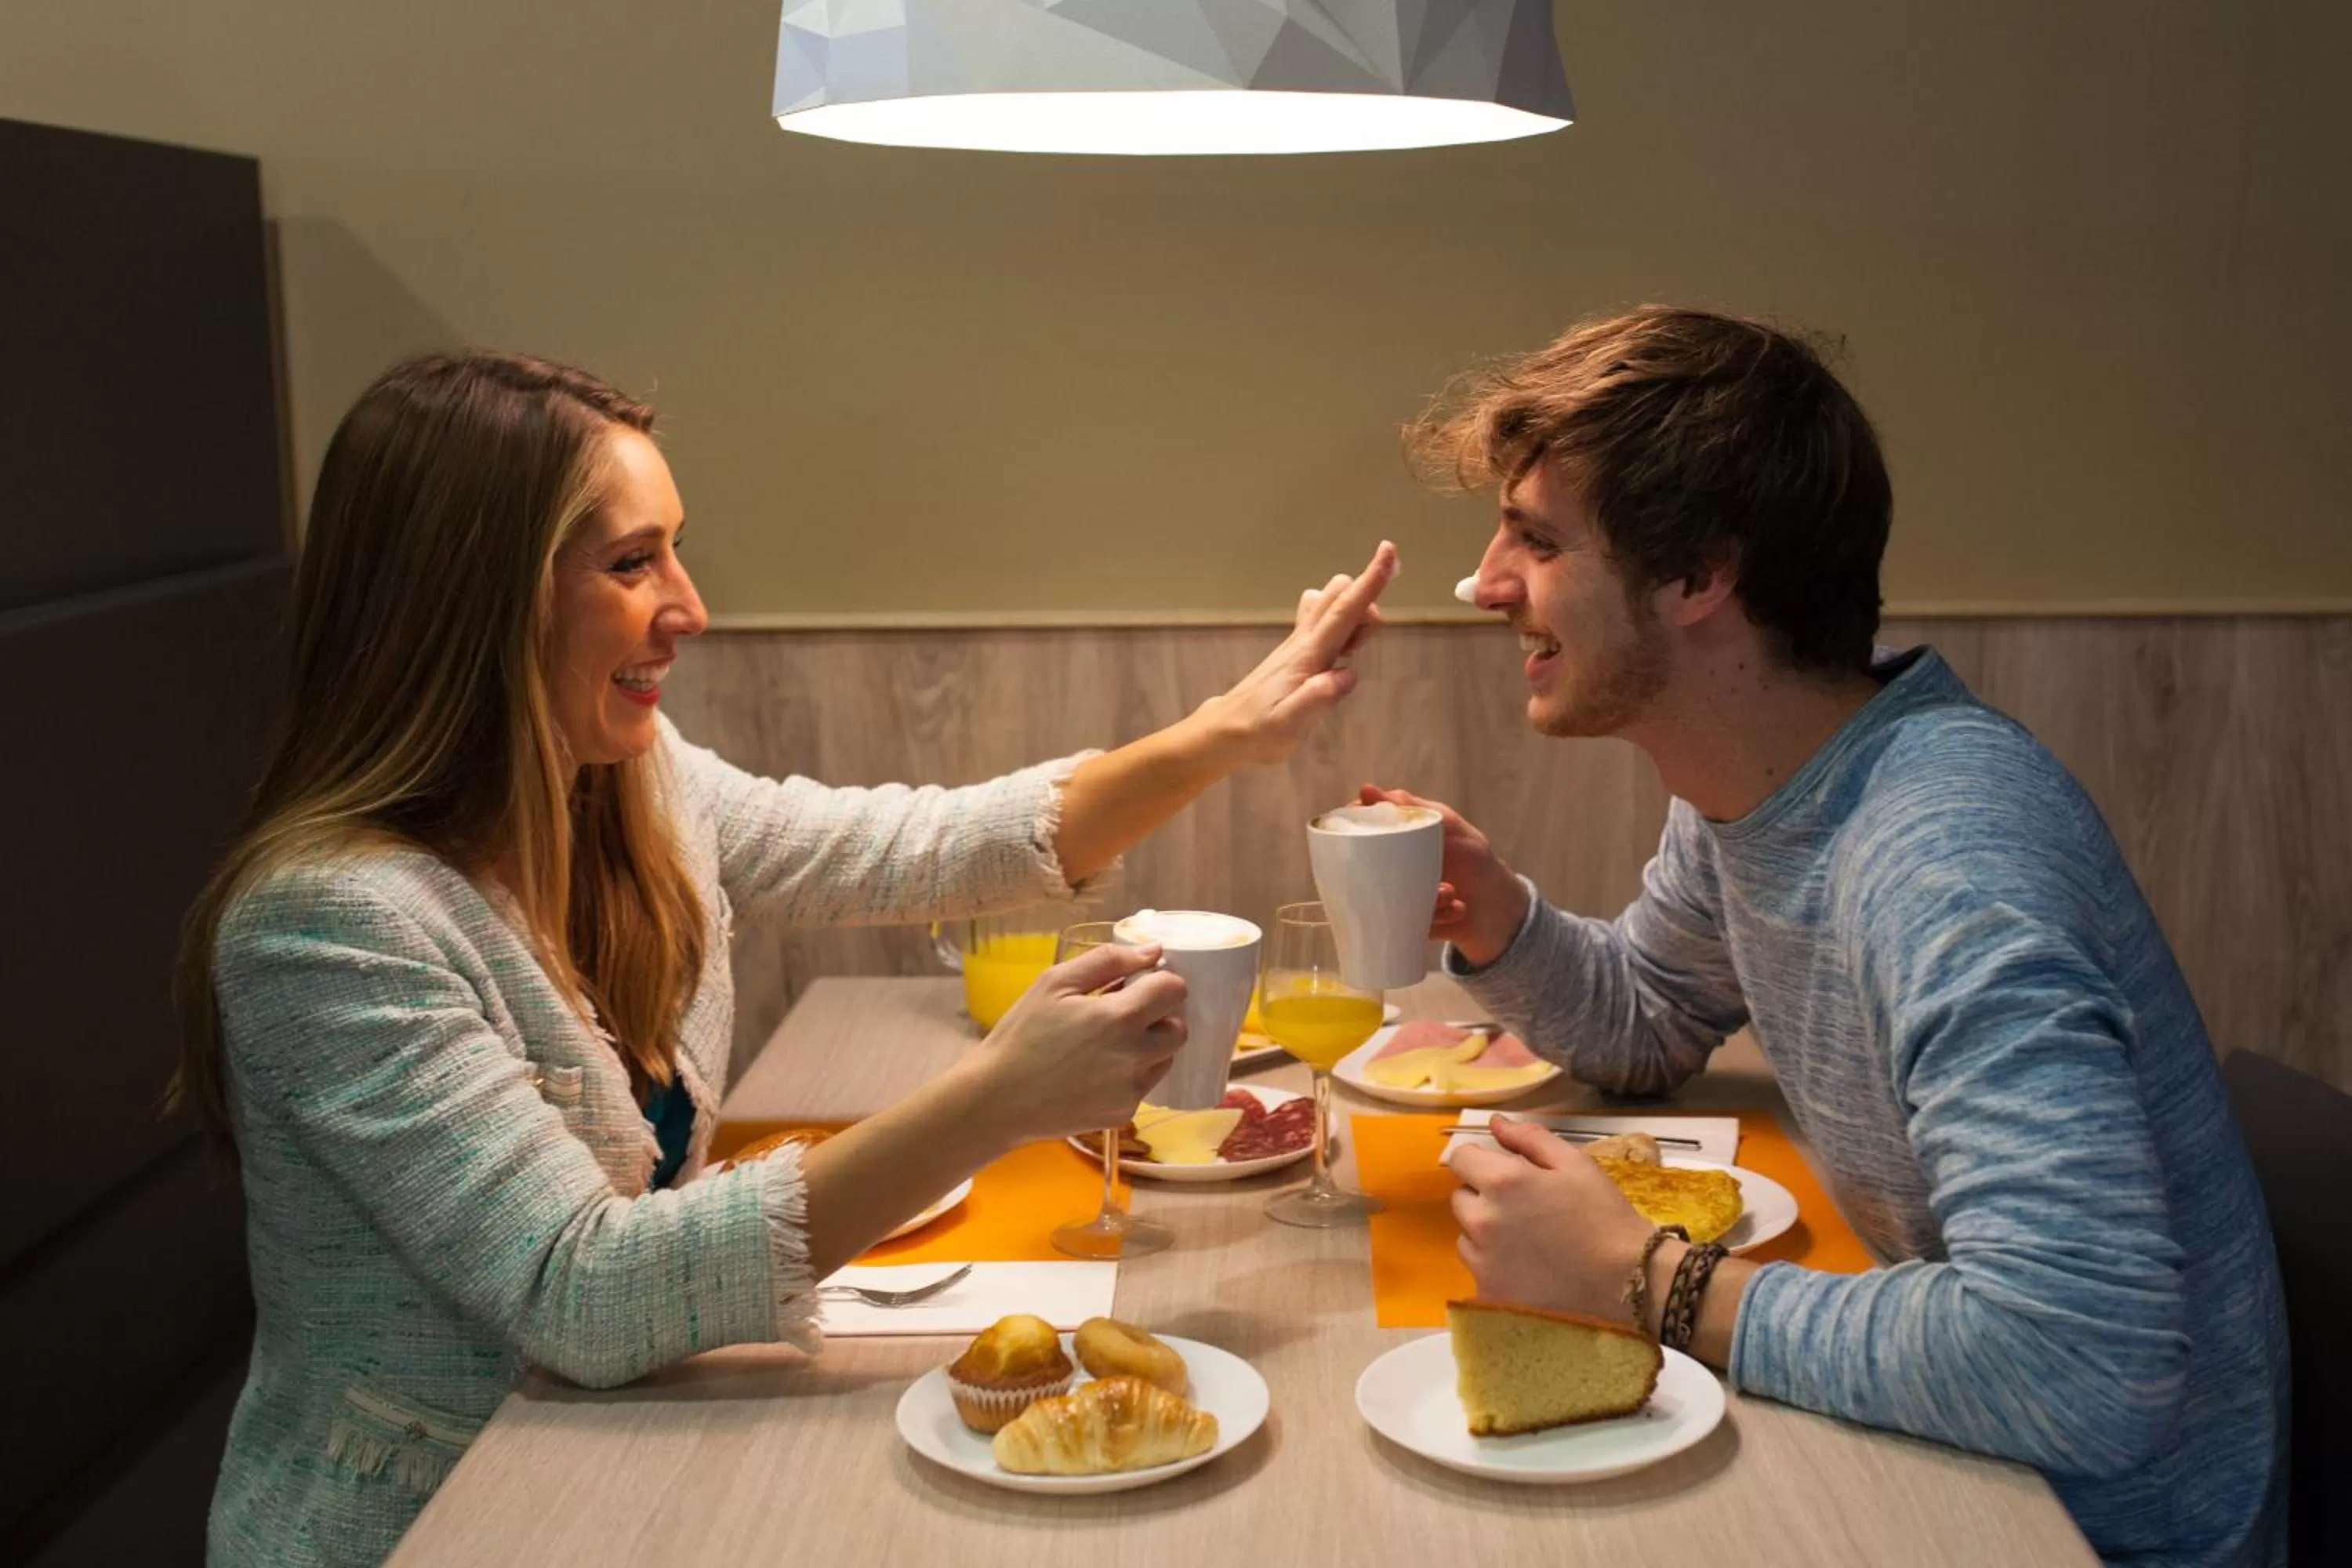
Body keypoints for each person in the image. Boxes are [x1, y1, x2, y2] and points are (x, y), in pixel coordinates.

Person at [172, 350, 1396, 1566]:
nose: (689, 607)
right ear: (475, 598)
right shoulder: (332, 924)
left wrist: (1220, 737)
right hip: (434, 1519)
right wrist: (998, 1102)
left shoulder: (630, 786)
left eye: (677, 547)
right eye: (631, 561)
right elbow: (583, 1294)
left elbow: (913, 848)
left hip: (627, 1451)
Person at [1367, 306, 2285, 1567]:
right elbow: (1645, 1026)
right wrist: (1502, 918)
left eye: (1535, 539)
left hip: (2083, 1523)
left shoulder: (1947, 858)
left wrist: (1645, 1278)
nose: (1486, 583)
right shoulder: (1768, 784)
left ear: (1698, 577)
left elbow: (2083, 1368)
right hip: (1968, 1445)